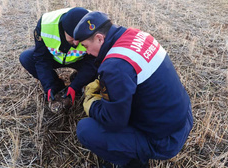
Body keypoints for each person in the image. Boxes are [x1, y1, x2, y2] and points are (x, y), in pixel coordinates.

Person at [73, 11, 193, 167]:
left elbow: (113, 122)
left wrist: (92, 104)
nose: (87, 52)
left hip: (165, 140)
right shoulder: (137, 35)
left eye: (86, 46)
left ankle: (133, 163)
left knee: (86, 129)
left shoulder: (115, 67)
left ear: (99, 38)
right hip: (183, 119)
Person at [19, 7, 97, 104]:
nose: (76, 43)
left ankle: (77, 81)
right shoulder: (45, 24)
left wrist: (76, 85)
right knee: (26, 58)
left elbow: (93, 61)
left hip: (81, 60)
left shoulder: (93, 25)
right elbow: (41, 59)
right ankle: (58, 87)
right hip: (54, 58)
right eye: (72, 38)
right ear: (63, 30)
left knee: (102, 64)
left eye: (80, 38)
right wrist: (49, 85)